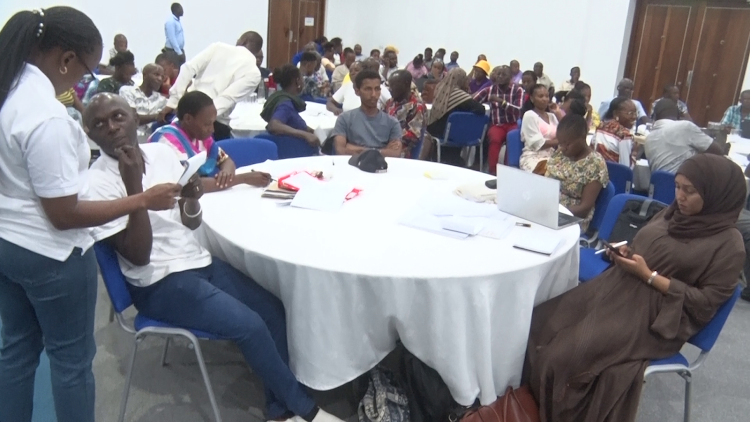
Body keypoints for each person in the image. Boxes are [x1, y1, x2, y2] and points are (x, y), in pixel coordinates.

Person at [85, 93, 345, 422]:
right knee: (249, 326)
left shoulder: (162, 153)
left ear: (135, 118)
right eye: (99, 124)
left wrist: (191, 198)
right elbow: (138, 257)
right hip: (157, 282)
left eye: (118, 117)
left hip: (195, 260)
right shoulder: (96, 184)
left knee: (274, 309)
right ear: (90, 135)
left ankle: (279, 411)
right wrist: (136, 188)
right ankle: (307, 411)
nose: (111, 127)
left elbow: (190, 220)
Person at [0, 8, 181, 422]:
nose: (81, 79)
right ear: (66, 61)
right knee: (71, 363)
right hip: (51, 255)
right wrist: (141, 199)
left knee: (16, 351)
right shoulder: (46, 116)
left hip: (8, 244)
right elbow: (64, 214)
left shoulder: (8, 95)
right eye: (85, 68)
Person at [524, 153, 746, 422]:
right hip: (620, 287)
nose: (680, 196)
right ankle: (528, 408)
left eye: (690, 191)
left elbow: (706, 302)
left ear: (716, 195)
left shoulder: (728, 245)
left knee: (566, 356)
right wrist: (628, 252)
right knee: (539, 324)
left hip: (656, 315)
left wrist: (649, 275)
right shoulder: (672, 214)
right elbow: (648, 245)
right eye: (677, 186)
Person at [150, 91, 270, 191]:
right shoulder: (168, 140)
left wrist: (226, 173)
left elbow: (225, 159)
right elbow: (188, 186)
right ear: (188, 119)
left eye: (213, 123)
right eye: (207, 124)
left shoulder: (199, 135)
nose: (212, 129)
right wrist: (243, 179)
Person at [159, 31, 263, 141]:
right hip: (214, 123)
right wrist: (204, 119)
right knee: (215, 155)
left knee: (174, 146)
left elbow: (188, 68)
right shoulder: (254, 73)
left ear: (243, 41)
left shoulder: (217, 48)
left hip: (189, 111)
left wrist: (173, 101)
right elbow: (227, 98)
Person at [545, 114, 608, 232]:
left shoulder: (595, 164)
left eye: (567, 144)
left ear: (583, 137)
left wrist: (553, 211)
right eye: (560, 143)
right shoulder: (561, 154)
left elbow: (584, 209)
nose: (563, 148)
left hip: (572, 218)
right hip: (548, 209)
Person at [332, 70, 403, 157]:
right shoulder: (344, 119)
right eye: (368, 89)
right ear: (357, 91)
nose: (373, 94)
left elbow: (395, 154)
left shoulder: (392, 123)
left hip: (381, 167)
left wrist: (354, 148)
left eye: (377, 89)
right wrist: (383, 151)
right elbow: (340, 151)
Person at [645, 99, 724, 173]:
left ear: (655, 117)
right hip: (685, 184)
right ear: (678, 116)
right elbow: (717, 150)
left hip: (661, 186)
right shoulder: (685, 126)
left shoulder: (648, 138)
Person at [473, 65, 524, 174]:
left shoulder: (517, 90)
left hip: (512, 123)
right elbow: (473, 102)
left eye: (503, 74)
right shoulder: (489, 90)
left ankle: (508, 172)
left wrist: (501, 102)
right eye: (498, 74)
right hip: (497, 124)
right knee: (495, 139)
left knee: (512, 139)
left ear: (510, 77)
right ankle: (493, 173)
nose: (500, 77)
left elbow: (518, 110)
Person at [426, 68, 486, 161]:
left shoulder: (440, 87)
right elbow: (481, 109)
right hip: (449, 133)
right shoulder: (459, 94)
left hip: (434, 127)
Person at [261, 65, 320, 149]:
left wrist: (307, 130)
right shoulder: (285, 104)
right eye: (301, 77)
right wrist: (305, 134)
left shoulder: (282, 97)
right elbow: (274, 125)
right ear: (297, 81)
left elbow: (290, 122)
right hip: (296, 152)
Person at [119, 64, 168, 142]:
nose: (160, 79)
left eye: (162, 77)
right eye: (156, 74)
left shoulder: (162, 100)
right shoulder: (128, 91)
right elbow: (132, 119)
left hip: (151, 142)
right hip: (130, 140)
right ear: (145, 75)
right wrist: (157, 116)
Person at [385, 70, 426, 158]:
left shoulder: (417, 106)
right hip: (384, 143)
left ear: (406, 84)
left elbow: (413, 135)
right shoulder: (390, 103)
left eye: (394, 85)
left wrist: (388, 136)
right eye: (389, 85)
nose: (390, 89)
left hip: (402, 149)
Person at [520, 84, 559, 174]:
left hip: (551, 156)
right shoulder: (529, 115)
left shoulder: (552, 116)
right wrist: (560, 141)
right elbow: (538, 144)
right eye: (541, 96)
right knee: (549, 173)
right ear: (532, 99)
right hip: (533, 157)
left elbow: (564, 133)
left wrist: (558, 112)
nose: (545, 99)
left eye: (547, 96)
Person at [592, 97, 637, 166]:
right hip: (614, 175)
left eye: (635, 113)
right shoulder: (624, 135)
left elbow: (592, 150)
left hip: (597, 171)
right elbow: (625, 168)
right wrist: (634, 154)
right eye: (630, 113)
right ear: (616, 114)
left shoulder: (600, 127)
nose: (635, 117)